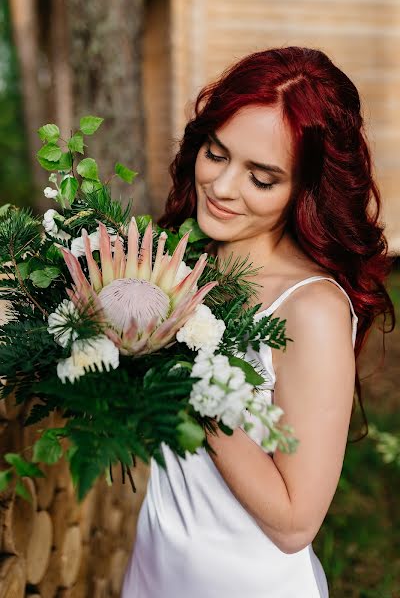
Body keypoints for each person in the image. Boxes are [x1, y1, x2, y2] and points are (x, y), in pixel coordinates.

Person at [121, 46, 395, 597]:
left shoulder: (309, 309)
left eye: (262, 178)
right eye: (216, 153)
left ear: (305, 189)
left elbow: (295, 522)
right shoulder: (184, 263)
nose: (221, 188)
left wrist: (183, 372)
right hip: (156, 569)